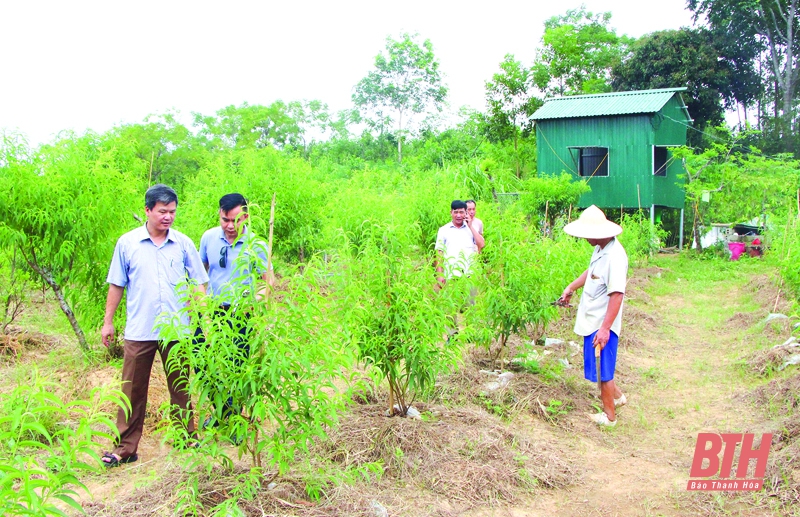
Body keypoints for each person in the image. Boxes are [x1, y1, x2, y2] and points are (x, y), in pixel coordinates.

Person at [101, 184, 209, 466]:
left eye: (172, 212)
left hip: (177, 329)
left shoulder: (183, 243)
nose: (168, 217)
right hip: (140, 328)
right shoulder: (127, 243)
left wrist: (203, 317)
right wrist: (108, 322)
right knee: (132, 390)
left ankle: (186, 437)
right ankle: (125, 448)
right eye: (162, 211)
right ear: (148, 211)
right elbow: (116, 284)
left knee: (180, 386)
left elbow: (199, 281)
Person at [196, 193, 274, 426]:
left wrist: (256, 301)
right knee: (202, 361)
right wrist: (200, 304)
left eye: (235, 220)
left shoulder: (256, 244)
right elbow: (200, 273)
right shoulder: (209, 238)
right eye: (224, 220)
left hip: (241, 312)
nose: (230, 226)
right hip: (211, 310)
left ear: (246, 217)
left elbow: (268, 280)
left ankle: (231, 417)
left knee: (236, 366)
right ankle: (221, 409)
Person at [557, 205, 628, 427]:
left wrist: (605, 328)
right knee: (600, 367)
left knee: (604, 370)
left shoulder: (615, 256)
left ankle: (609, 416)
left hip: (603, 323)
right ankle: (618, 398)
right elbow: (591, 272)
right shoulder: (600, 249)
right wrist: (571, 287)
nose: (586, 238)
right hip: (593, 320)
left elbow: (617, 295)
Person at [435, 200, 485, 286]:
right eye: (456, 212)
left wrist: (470, 226)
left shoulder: (471, 229)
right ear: (451, 212)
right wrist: (439, 275)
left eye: (461, 212)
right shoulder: (444, 230)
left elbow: (481, 244)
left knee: (470, 299)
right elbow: (439, 253)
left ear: (466, 213)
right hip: (451, 275)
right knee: (452, 298)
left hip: (470, 275)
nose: (458, 215)